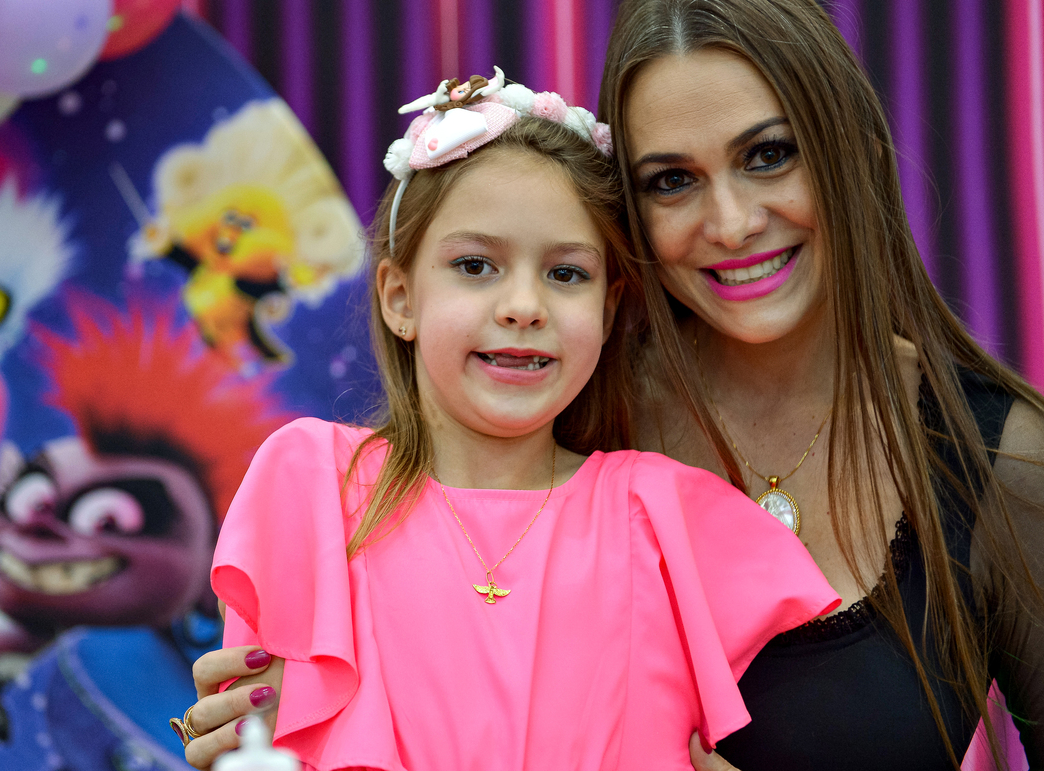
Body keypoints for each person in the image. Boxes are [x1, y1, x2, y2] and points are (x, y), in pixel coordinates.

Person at [187, 0, 1044, 768]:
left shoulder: (1002, 459)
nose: (731, 222)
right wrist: (262, 732)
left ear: (854, 154)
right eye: (670, 180)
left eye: (769, 154)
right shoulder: (563, 398)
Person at [170, 72, 839, 770]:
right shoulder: (314, 487)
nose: (524, 306)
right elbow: (257, 736)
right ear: (399, 296)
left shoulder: (667, 513)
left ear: (608, 309)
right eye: (476, 265)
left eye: (566, 274)